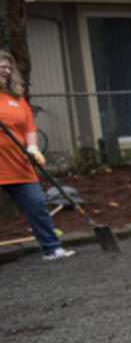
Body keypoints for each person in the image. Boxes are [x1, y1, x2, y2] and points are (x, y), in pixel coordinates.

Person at [0, 51, 74, 261]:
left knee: (37, 204)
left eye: (8, 67)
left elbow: (28, 128)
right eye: (1, 65)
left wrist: (32, 148)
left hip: (17, 163)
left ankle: (51, 249)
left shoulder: (16, 99)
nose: (6, 70)